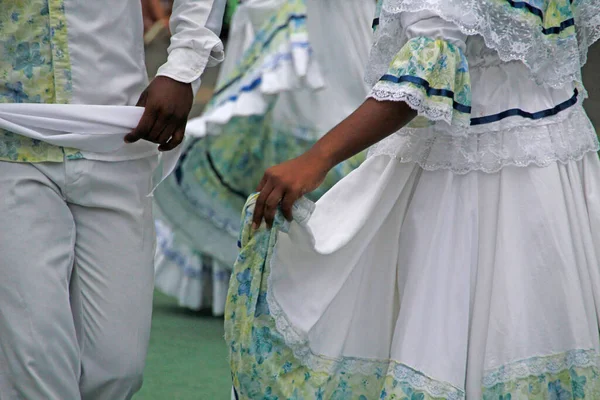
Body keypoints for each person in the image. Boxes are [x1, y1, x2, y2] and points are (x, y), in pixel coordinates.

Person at [226, 0, 600, 398]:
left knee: (442, 330)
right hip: (554, 164)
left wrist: (319, 157)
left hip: (465, 169)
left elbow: (430, 64)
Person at [0, 0, 225, 398]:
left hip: (117, 132)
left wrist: (183, 68)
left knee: (117, 368)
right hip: (11, 140)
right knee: (34, 362)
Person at [153, 0, 375, 315]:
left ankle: (335, 282)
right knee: (261, 135)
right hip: (280, 15)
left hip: (334, 24)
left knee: (336, 128)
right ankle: (254, 278)